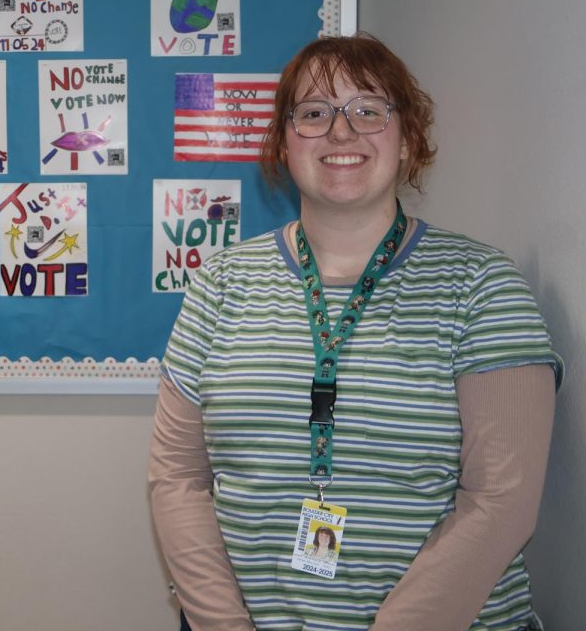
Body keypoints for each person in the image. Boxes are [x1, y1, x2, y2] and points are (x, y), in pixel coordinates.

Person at [149, 34, 562, 631]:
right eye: (314, 114)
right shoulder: (220, 284)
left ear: (409, 138)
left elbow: (502, 502)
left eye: (369, 110)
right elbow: (178, 479)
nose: (341, 133)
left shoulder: (481, 285)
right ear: (284, 143)